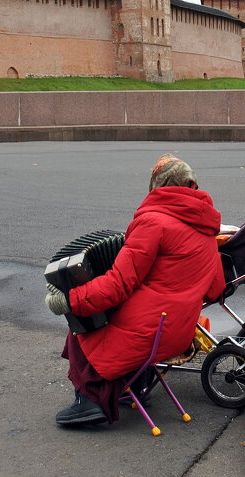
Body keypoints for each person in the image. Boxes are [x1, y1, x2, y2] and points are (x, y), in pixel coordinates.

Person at [56, 154, 226, 427]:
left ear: (158, 186)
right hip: (178, 333)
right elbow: (215, 289)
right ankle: (135, 387)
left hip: (146, 332)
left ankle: (90, 400)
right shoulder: (207, 230)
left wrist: (70, 299)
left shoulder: (153, 222)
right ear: (192, 185)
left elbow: (117, 285)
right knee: (125, 316)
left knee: (82, 324)